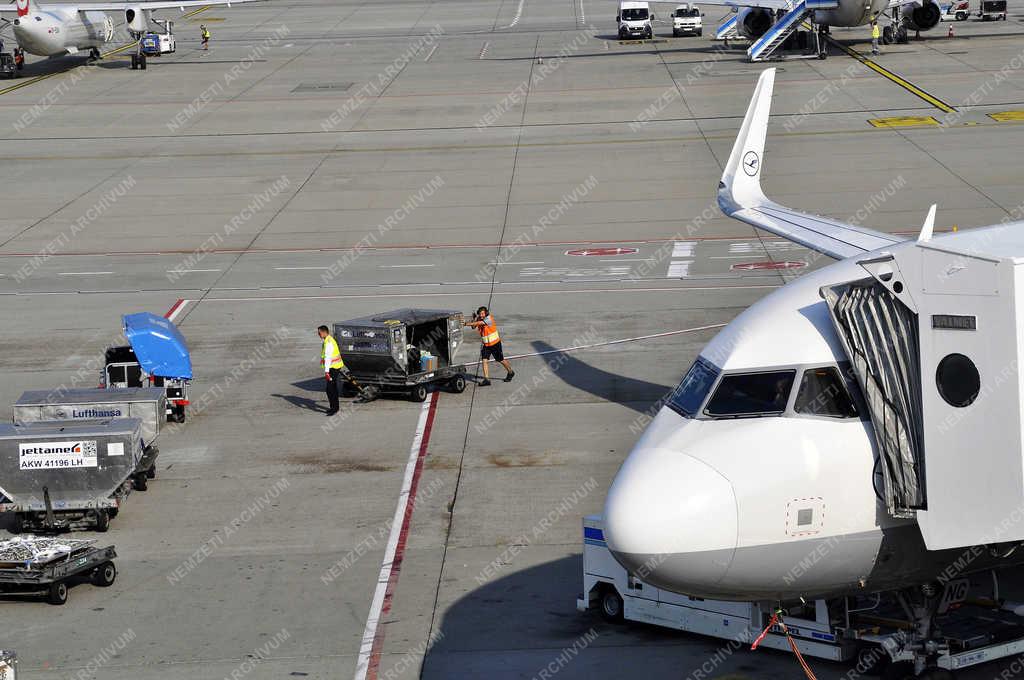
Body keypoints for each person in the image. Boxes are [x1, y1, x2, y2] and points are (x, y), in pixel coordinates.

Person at [464, 306, 514, 386]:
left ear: (486, 313)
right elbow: (473, 327)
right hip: (486, 345)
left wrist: (466, 323)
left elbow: (478, 323)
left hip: (495, 344)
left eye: (483, 313)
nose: (481, 315)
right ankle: (487, 379)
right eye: (480, 314)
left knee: (500, 360)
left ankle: (510, 372)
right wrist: (473, 319)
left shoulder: (489, 319)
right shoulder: (479, 319)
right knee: (484, 360)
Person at [318, 325, 345, 416]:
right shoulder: (328, 340)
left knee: (330, 389)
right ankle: (334, 407)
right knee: (332, 387)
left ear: (324, 332)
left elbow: (328, 358)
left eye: (319, 332)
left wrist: (326, 372)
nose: (318, 334)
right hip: (334, 367)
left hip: (333, 368)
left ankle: (334, 408)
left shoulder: (328, 342)